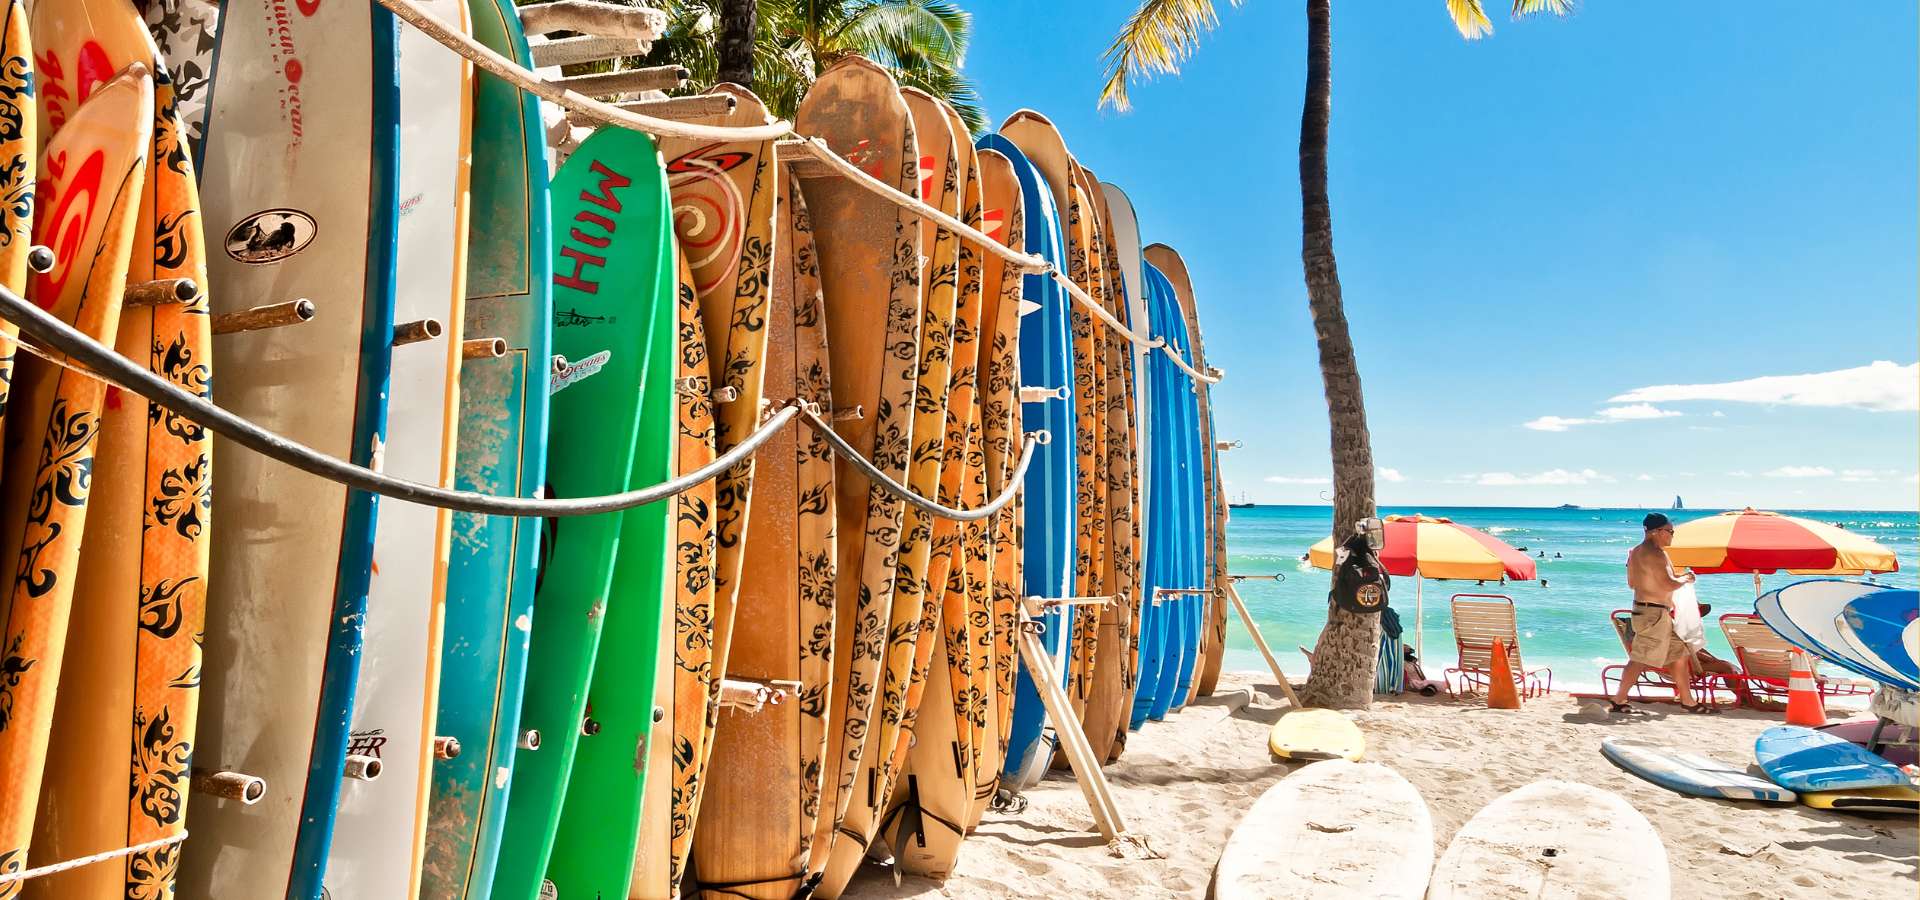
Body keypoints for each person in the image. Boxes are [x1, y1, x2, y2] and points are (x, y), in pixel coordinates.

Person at [1609, 513, 1713, 714]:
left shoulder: (1636, 552)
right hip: (1654, 614)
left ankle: (1687, 700)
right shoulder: (1657, 553)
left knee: (1679, 654)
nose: (1672, 536)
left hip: (1647, 610)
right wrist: (1686, 578)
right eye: (1670, 531)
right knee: (1640, 658)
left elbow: (1632, 583)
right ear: (1656, 532)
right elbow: (1668, 584)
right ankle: (1618, 698)